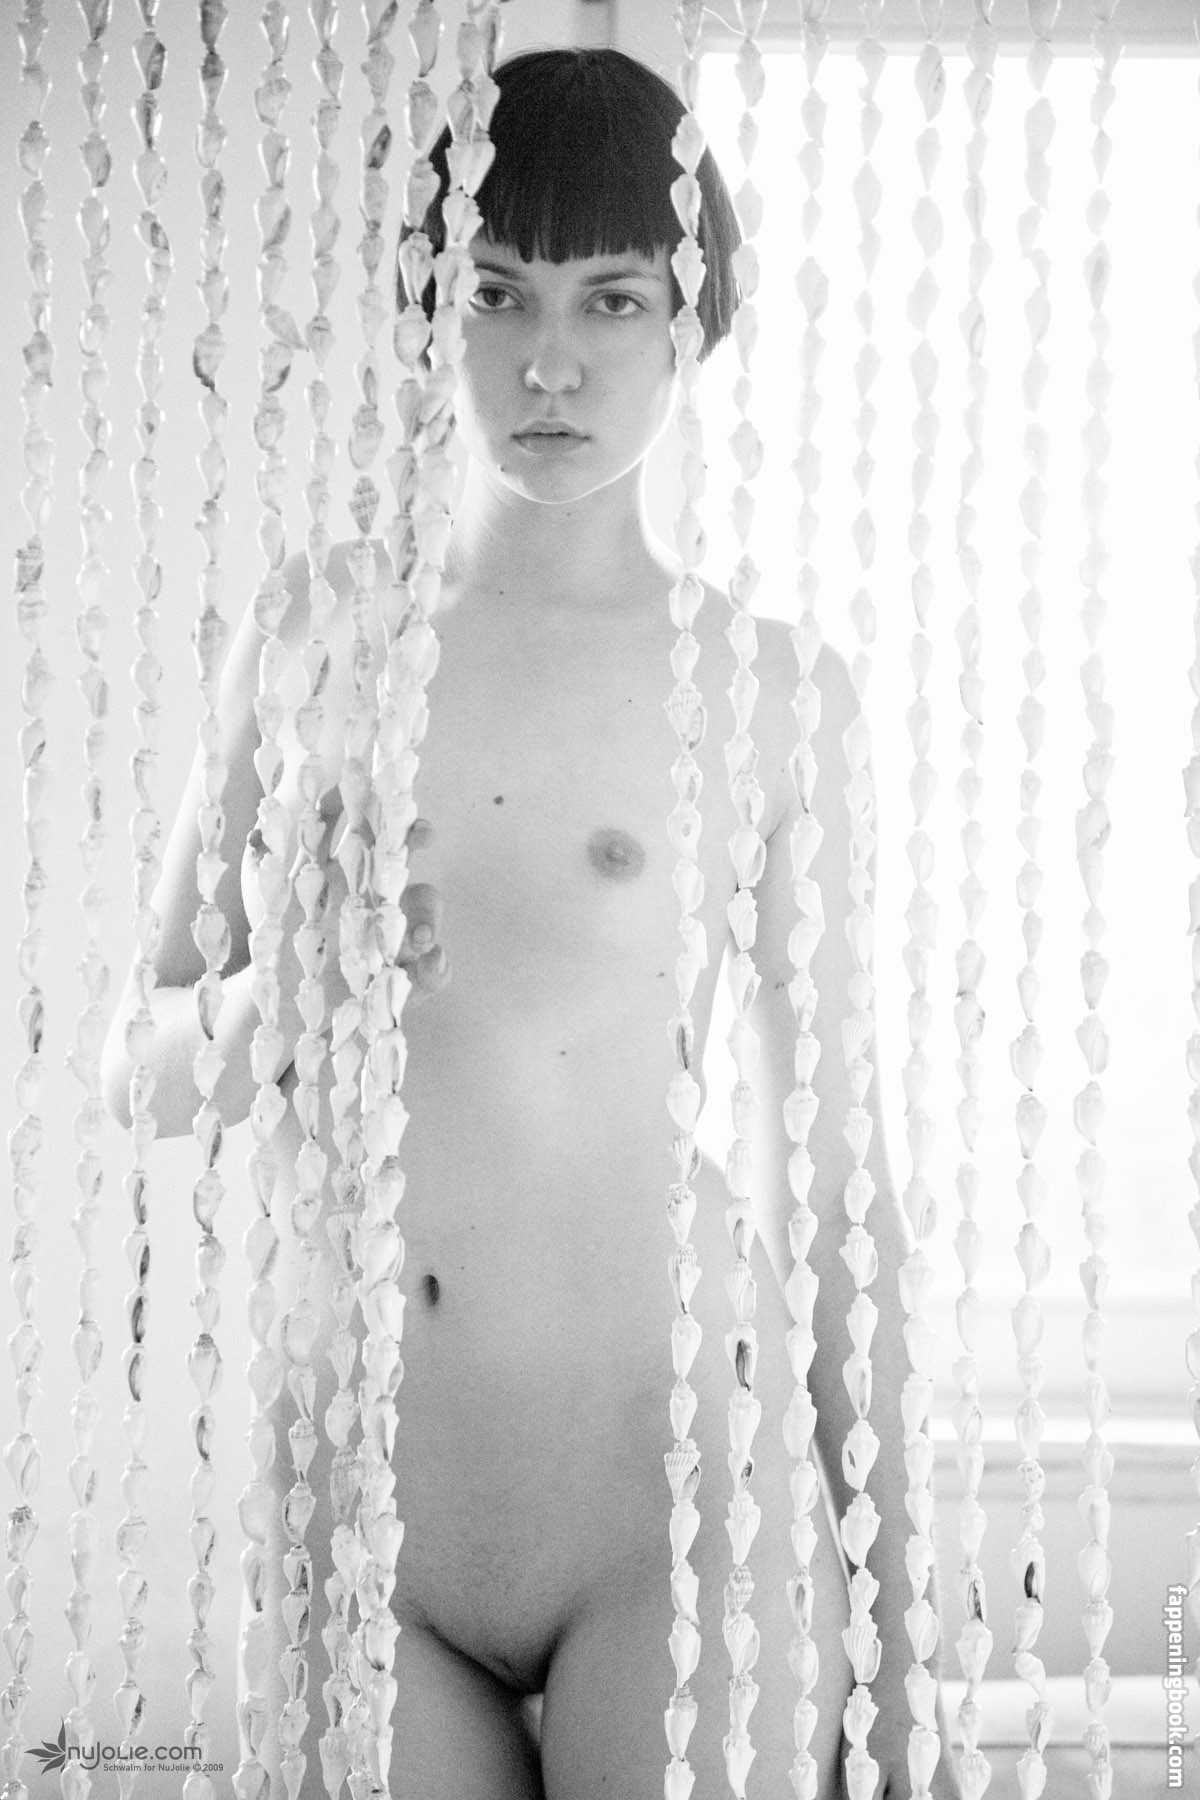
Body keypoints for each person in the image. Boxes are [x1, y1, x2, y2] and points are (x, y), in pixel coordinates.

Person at [104, 46, 961, 1800]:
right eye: (499, 292)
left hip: (679, 1502)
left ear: (690, 320)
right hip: (364, 1520)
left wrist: (902, 1653)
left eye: (611, 298)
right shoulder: (316, 634)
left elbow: (830, 1180)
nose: (549, 360)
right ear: (437, 305)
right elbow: (141, 1064)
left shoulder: (768, 695)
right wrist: (279, 1006)